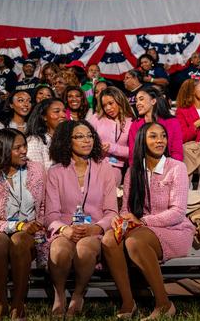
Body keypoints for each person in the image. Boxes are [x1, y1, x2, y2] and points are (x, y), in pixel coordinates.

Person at [102, 122, 194, 320]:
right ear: (142, 140)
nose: (160, 140)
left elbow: (177, 212)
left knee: (134, 241)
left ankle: (164, 304)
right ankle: (128, 302)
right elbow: (126, 208)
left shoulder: (176, 167)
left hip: (175, 230)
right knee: (109, 240)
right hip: (140, 228)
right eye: (153, 136)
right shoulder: (133, 171)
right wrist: (124, 221)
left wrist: (142, 221)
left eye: (163, 136)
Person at [45, 120, 118, 317]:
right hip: (65, 230)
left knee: (85, 248)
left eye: (89, 136)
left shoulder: (104, 168)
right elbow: (51, 215)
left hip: (94, 231)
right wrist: (65, 229)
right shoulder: (55, 172)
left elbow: (112, 211)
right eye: (79, 136)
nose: (87, 140)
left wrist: (97, 228)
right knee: (59, 249)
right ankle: (59, 294)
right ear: (67, 142)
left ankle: (78, 294)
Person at [0, 128, 46, 321]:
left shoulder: (36, 169)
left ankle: (18, 304)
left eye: (25, 145)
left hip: (31, 234)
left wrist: (34, 225)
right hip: (1, 232)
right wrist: (17, 226)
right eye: (18, 147)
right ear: (3, 150)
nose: (24, 151)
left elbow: (43, 208)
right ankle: (1, 304)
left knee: (20, 239)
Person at [87, 87, 134, 184]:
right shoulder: (96, 118)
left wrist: (112, 148)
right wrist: (96, 148)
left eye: (111, 103)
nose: (108, 108)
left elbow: (133, 151)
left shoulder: (131, 122)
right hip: (93, 164)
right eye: (104, 105)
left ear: (119, 100)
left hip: (115, 168)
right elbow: (86, 140)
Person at [128, 86, 183, 163]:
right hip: (143, 169)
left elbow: (177, 152)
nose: (137, 104)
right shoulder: (135, 125)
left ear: (153, 101)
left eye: (141, 99)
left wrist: (170, 169)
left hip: (168, 167)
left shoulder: (172, 122)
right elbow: (133, 154)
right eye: (136, 101)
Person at [25, 98, 66, 170]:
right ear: (44, 116)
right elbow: (37, 175)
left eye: (64, 111)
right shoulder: (34, 141)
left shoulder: (66, 138)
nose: (63, 115)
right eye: (57, 111)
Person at [0, 55, 19, 122]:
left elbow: (13, 89)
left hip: (5, 98)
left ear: (6, 61)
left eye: (1, 59)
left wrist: (4, 93)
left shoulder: (12, 74)